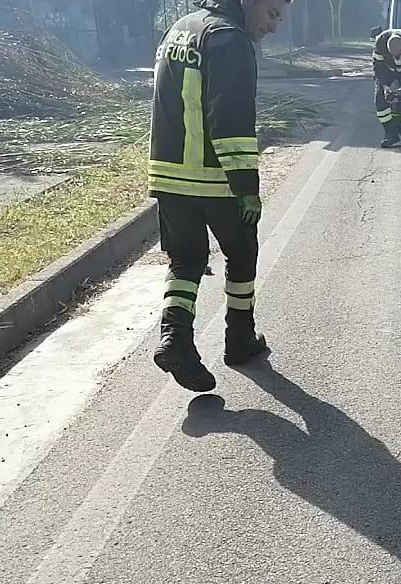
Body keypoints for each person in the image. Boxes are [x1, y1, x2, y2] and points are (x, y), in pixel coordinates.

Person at [148, 0, 289, 392]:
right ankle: (239, 338)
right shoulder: (229, 38)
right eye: (272, 13)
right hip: (215, 177)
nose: (274, 26)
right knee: (242, 253)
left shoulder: (181, 28)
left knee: (186, 260)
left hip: (168, 175)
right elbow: (231, 118)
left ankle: (175, 338)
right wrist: (246, 188)